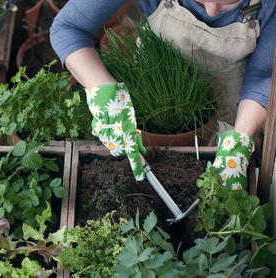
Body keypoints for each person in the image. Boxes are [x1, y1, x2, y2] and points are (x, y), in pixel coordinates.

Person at [50, 0, 275, 189]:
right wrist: (103, 88)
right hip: (154, 91)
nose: (211, 11)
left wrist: (240, 137)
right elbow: (68, 27)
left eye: (231, 1)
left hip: (234, 102)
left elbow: (262, 75)